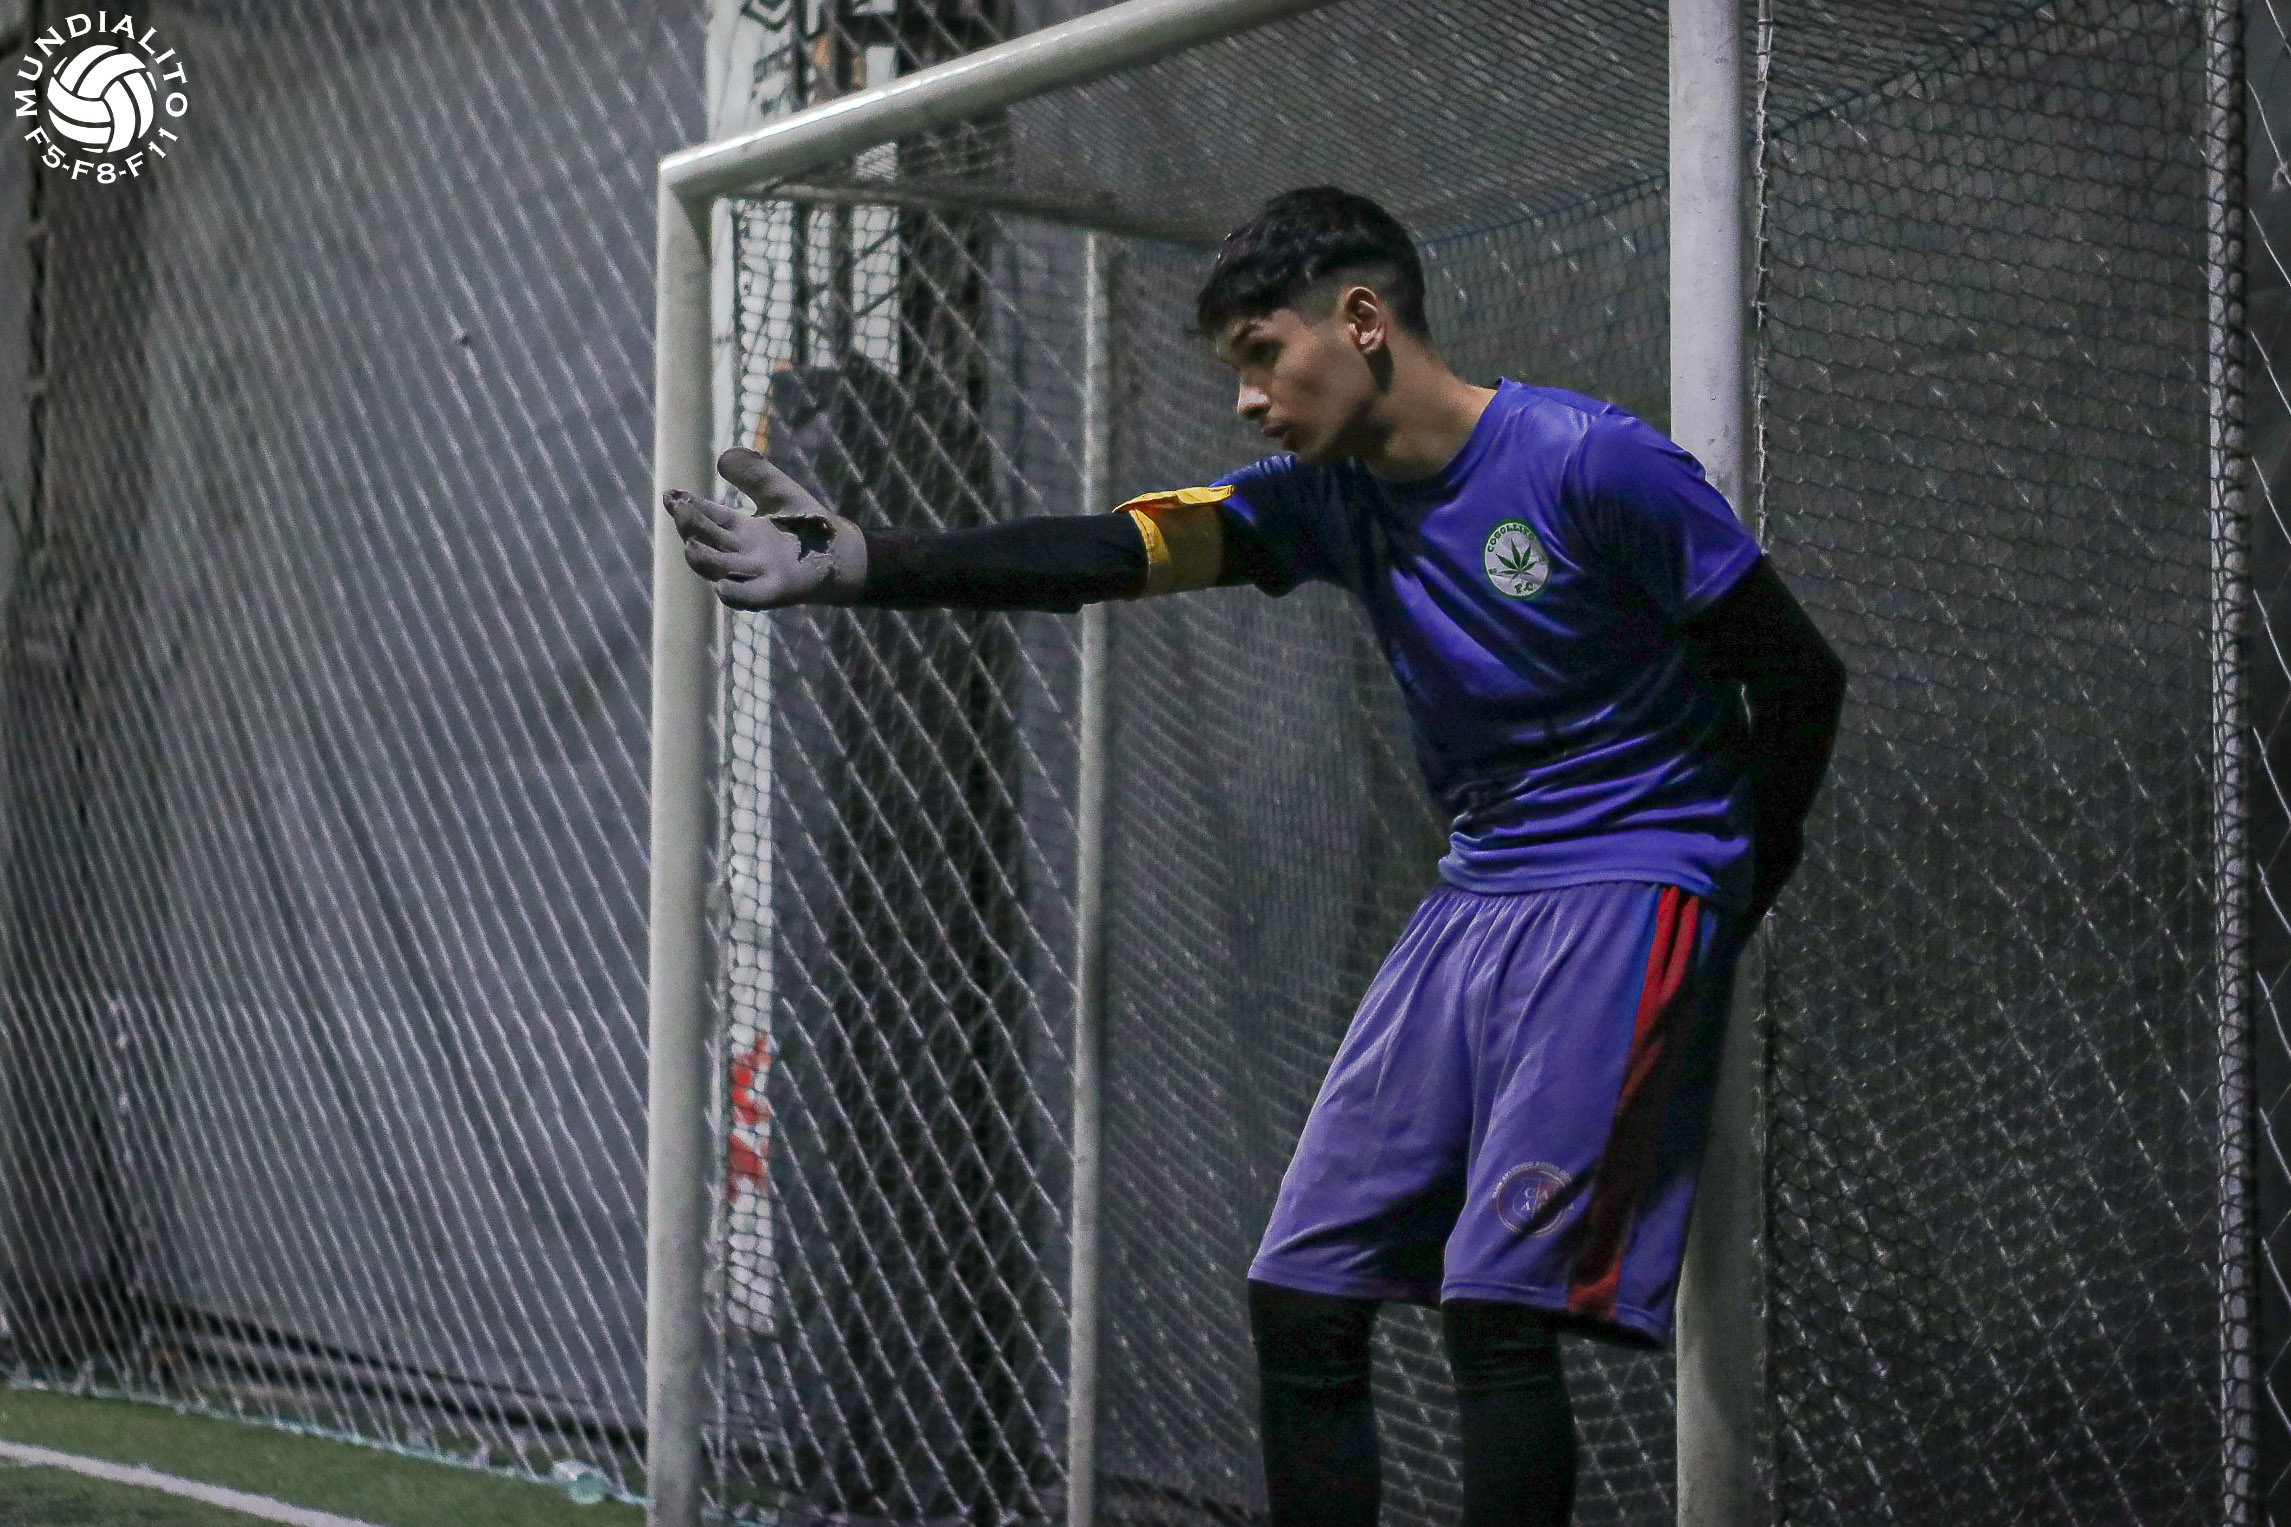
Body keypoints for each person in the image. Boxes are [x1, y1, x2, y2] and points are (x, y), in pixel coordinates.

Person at [663, 186, 1846, 1527]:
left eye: (1261, 356)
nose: (1247, 401)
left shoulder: (1593, 462)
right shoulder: (1320, 498)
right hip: (1476, 896)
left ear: (1362, 319)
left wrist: (1724, 892)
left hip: (1631, 883)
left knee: (1496, 1312)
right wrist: (867, 561)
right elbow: (1108, 550)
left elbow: (1799, 678)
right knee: (1303, 1292)